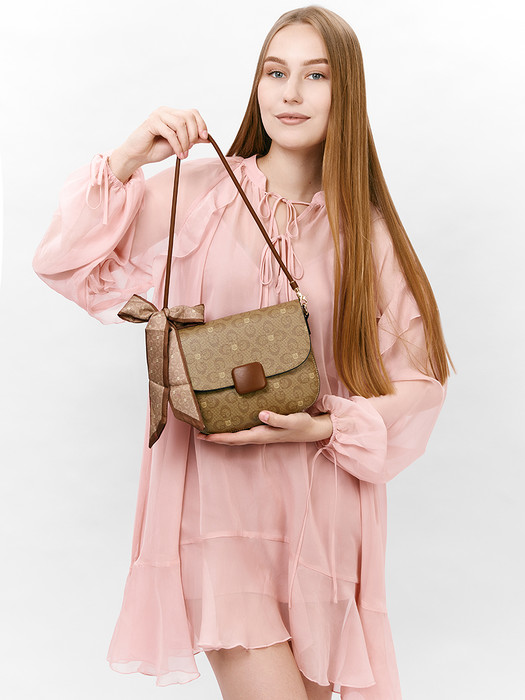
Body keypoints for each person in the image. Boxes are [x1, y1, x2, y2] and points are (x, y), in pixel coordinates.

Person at [32, 6, 453, 700]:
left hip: (322, 516)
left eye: (315, 76)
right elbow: (62, 261)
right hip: (215, 509)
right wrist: (129, 156)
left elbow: (423, 381)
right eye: (275, 72)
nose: (291, 93)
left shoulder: (365, 231)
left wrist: (324, 424)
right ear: (257, 85)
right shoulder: (197, 191)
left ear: (345, 92)